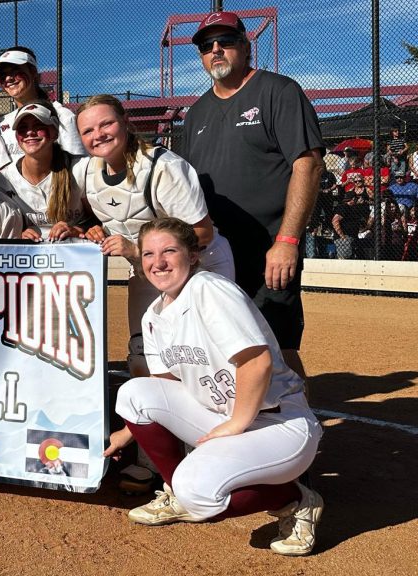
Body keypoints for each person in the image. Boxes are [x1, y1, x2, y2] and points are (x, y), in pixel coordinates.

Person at [105, 217, 323, 556]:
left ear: (193, 256)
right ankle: (178, 490)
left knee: (199, 495)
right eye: (148, 254)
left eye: (169, 251)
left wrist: (236, 423)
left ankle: (296, 499)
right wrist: (127, 432)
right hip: (224, 418)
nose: (157, 262)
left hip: (279, 424)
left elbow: (256, 361)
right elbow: (164, 387)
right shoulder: (153, 316)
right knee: (134, 393)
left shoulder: (208, 289)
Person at [179, 11, 325, 380]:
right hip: (213, 254)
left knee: (278, 348)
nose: (215, 50)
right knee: (221, 349)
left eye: (225, 41)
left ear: (245, 46)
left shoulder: (278, 91)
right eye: (206, 45)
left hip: (268, 251)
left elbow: (307, 165)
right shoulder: (195, 114)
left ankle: (301, 431)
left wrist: (288, 240)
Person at [74, 94, 235, 377]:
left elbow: (202, 232)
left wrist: (137, 251)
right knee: (143, 358)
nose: (98, 135)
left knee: (208, 360)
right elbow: (91, 216)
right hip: (147, 273)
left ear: (125, 122)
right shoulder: (86, 171)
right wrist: (89, 228)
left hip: (200, 268)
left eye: (106, 124)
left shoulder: (163, 167)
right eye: (88, 130)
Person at [0, 101, 88, 241]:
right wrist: (19, 232)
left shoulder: (80, 168)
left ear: (55, 131)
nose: (29, 132)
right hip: (30, 258)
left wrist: (78, 230)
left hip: (76, 255)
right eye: (22, 128)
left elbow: (100, 220)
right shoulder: (1, 181)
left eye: (39, 126)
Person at [0, 46, 86, 161]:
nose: (8, 78)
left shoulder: (62, 116)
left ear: (33, 72)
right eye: (3, 75)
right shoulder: (1, 124)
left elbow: (77, 167)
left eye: (15, 71)